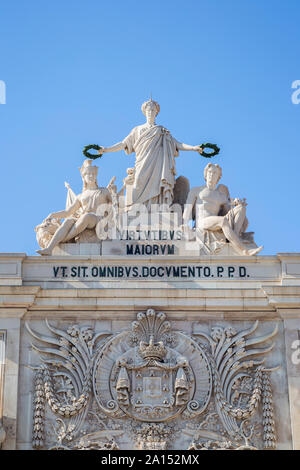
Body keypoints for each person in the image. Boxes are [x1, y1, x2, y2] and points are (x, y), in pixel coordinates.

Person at [98, 99, 203, 208]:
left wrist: (194, 148)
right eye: (148, 110)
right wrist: (106, 149)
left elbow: (177, 144)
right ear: (144, 112)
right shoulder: (137, 130)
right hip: (142, 163)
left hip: (158, 165)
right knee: (138, 184)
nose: (150, 112)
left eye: (153, 110)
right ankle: (136, 211)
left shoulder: (162, 131)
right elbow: (123, 144)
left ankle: (156, 210)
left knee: (157, 185)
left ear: (156, 112)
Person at [183, 163, 263, 256]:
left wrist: (237, 204)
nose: (211, 175)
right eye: (209, 172)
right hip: (202, 222)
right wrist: (185, 225)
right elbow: (187, 210)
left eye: (214, 173)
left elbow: (228, 211)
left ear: (218, 177)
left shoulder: (221, 196)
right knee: (222, 221)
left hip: (215, 221)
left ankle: (234, 237)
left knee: (241, 208)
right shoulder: (196, 190)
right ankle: (244, 250)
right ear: (205, 174)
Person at [36, 160, 113, 255]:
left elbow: (114, 204)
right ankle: (49, 248)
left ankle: (63, 239)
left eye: (93, 174)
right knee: (69, 221)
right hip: (85, 219)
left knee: (87, 216)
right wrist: (52, 214)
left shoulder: (104, 191)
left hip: (98, 219)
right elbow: (68, 212)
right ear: (83, 177)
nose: (91, 176)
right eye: (88, 174)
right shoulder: (81, 196)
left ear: (96, 176)